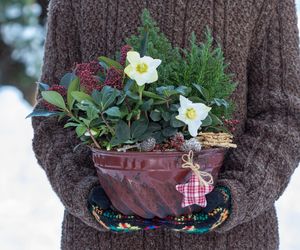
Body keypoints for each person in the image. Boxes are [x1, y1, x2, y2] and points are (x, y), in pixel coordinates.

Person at [32, 0, 300, 249]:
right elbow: (54, 111)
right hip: (102, 240)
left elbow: (283, 115)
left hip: (233, 240)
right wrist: (85, 191)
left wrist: (236, 195)